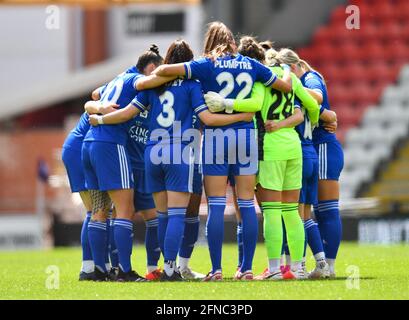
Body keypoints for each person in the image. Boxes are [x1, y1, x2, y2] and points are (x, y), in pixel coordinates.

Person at [88, 39, 255, 281]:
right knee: (177, 214)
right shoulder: (191, 84)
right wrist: (242, 116)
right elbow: (207, 119)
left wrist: (100, 119)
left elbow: (126, 113)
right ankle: (169, 269)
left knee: (162, 215)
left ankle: (156, 267)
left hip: (153, 151)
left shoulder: (153, 85)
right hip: (179, 150)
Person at [142, 22, 293, 281]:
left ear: (210, 42)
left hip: (216, 137)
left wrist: (152, 80)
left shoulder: (205, 63)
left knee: (215, 205)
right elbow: (285, 87)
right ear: (231, 41)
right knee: (246, 203)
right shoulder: (252, 64)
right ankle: (246, 269)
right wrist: (288, 70)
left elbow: (166, 68)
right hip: (246, 135)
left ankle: (217, 269)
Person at [204, 38, 320, 280]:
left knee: (271, 211)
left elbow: (255, 104)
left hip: (271, 147)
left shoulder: (262, 80)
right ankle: (298, 268)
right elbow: (311, 104)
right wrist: (317, 121)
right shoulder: (292, 79)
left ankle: (275, 269)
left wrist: (226, 103)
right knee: (292, 211)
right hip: (294, 147)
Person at [82, 45, 163, 282]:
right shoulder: (138, 79)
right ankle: (124, 271)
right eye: (158, 71)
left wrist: (97, 111)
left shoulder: (119, 78)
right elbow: (140, 93)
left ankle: (98, 270)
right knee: (125, 210)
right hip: (110, 144)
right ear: (151, 68)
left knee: (99, 211)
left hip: (90, 144)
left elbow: (94, 96)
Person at [281, 48, 344, 278]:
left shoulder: (310, 77)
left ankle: (329, 265)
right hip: (309, 150)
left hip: (323, 147)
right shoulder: (301, 80)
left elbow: (316, 98)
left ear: (295, 68)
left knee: (326, 210)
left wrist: (325, 113)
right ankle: (311, 265)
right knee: (303, 211)